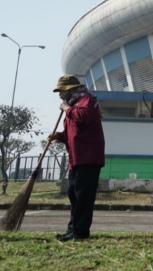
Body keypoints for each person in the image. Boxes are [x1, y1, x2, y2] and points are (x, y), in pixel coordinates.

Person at [48, 75, 105, 242]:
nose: (59, 95)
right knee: (73, 192)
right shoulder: (73, 106)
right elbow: (72, 134)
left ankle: (81, 232)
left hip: (89, 156)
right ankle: (72, 229)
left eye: (62, 91)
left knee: (83, 194)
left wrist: (67, 108)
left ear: (71, 89)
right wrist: (58, 136)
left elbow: (84, 118)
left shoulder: (87, 100)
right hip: (76, 157)